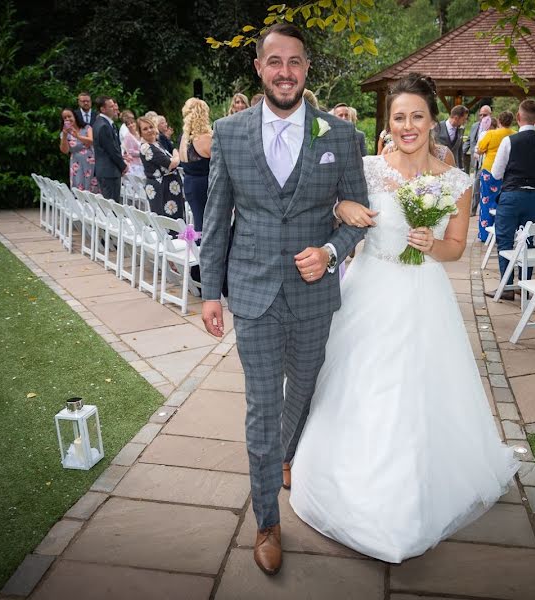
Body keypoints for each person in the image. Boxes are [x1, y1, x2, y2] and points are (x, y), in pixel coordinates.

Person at [290, 72, 519, 564]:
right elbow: (333, 210)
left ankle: (411, 498)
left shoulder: (455, 180)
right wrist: (344, 202)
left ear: (434, 119)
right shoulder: (366, 168)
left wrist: (433, 245)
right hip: (369, 289)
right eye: (399, 117)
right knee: (359, 385)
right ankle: (346, 488)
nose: (408, 126)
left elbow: (458, 247)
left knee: (416, 392)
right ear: (387, 123)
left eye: (417, 116)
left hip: (423, 296)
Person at [198, 23, 369, 577]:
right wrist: (209, 292)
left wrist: (330, 249)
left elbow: (358, 216)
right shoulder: (227, 132)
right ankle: (267, 519)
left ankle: (287, 456)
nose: (286, 71)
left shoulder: (341, 137)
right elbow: (216, 218)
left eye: (295, 61)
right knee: (262, 404)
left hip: (314, 295)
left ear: (307, 68)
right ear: (259, 68)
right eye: (275, 61)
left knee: (305, 391)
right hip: (253, 292)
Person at [489, 99, 535, 299]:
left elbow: (496, 173)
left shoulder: (510, 141)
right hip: (533, 195)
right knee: (528, 241)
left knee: (505, 239)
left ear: (518, 117)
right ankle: (524, 287)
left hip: (511, 194)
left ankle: (507, 287)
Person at [475, 111, 514, 241]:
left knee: (486, 201)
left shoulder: (491, 134)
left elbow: (480, 149)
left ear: (498, 121)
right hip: (507, 172)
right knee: (502, 202)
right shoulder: (514, 134)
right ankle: (500, 233)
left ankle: (485, 234)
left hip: (489, 171)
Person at [137, 117, 184, 219]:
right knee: (168, 220)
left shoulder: (156, 144)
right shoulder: (147, 147)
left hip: (169, 186)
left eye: (151, 127)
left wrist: (175, 157)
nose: (149, 130)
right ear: (140, 132)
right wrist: (177, 155)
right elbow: (170, 163)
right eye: (145, 129)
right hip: (162, 188)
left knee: (175, 219)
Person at [179, 97, 212, 235]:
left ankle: (199, 248)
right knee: (207, 223)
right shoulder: (206, 138)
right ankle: (204, 252)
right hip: (203, 185)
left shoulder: (184, 138)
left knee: (199, 220)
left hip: (189, 183)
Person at [92, 96, 126, 201]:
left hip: (107, 171)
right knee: (112, 204)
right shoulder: (104, 126)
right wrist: (123, 166)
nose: (114, 108)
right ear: (103, 109)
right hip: (109, 171)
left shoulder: (103, 123)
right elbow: (112, 150)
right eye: (111, 106)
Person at [58, 108, 99, 193]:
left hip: (91, 162)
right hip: (76, 163)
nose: (67, 119)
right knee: (78, 185)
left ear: (75, 116)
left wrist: (78, 137)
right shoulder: (64, 133)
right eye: (64, 118)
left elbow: (92, 141)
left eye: (69, 116)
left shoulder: (87, 128)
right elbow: (65, 150)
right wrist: (65, 135)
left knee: (92, 185)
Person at [464, 104, 491, 175]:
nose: (482, 117)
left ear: (490, 115)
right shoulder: (474, 125)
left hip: (487, 159)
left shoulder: (493, 127)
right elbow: (469, 140)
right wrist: (462, 152)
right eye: (480, 115)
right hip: (475, 159)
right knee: (476, 179)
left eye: (484, 115)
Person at [119, 110, 144, 180]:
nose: (131, 125)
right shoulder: (128, 137)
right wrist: (141, 152)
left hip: (142, 161)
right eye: (128, 124)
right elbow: (130, 151)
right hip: (135, 164)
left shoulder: (139, 133)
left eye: (132, 123)